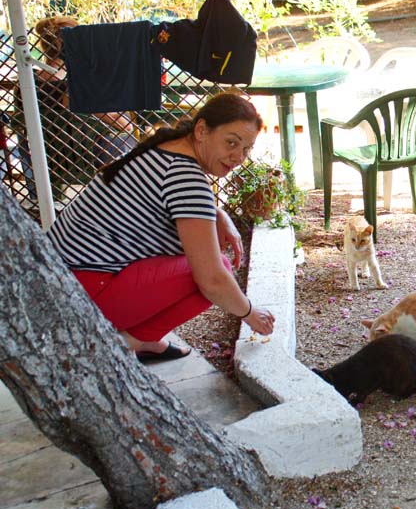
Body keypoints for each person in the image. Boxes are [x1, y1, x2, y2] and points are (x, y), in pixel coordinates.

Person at [48, 92, 275, 361]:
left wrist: (217, 213)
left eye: (247, 149)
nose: (238, 156)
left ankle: (142, 340)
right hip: (80, 299)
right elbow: (212, 280)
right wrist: (250, 313)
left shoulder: (165, 148)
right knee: (217, 272)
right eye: (231, 142)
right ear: (202, 131)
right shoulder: (186, 178)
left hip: (58, 284)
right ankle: (120, 344)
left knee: (205, 262)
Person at [13, 16, 137, 205]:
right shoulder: (79, 84)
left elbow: (20, 126)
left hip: (45, 162)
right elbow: (125, 126)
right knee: (124, 135)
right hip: (89, 162)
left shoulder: (24, 86)